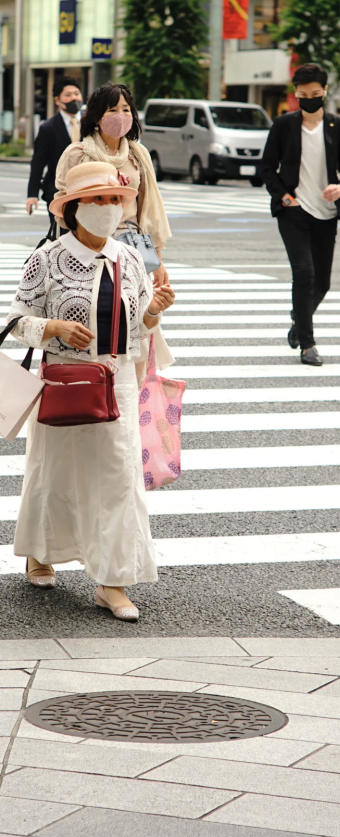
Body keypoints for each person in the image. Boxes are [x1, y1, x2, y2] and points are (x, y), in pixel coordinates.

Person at [6, 162, 175, 620]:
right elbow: (16, 321)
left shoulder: (132, 259)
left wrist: (154, 311)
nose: (107, 208)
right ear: (74, 207)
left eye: (114, 200)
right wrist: (53, 326)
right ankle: (41, 553)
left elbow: (140, 330)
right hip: (62, 379)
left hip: (116, 381)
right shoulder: (46, 258)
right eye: (97, 200)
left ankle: (112, 582)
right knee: (53, 473)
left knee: (120, 482)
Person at [260, 63, 340, 367]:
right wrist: (284, 196)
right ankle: (308, 344)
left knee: (323, 282)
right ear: (296, 95)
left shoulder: (339, 127)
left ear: (325, 92)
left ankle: (298, 321)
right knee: (304, 273)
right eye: (303, 95)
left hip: (327, 213)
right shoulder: (284, 125)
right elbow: (266, 167)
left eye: (315, 94)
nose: (309, 99)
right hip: (294, 211)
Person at [55, 84, 171, 291]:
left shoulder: (138, 155)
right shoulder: (77, 154)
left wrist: (157, 258)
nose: (121, 115)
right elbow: (64, 207)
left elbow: (151, 208)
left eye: (126, 109)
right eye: (113, 110)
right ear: (98, 116)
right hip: (88, 246)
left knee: (136, 311)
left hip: (131, 245)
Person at [26, 76, 84, 236]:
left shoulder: (90, 124)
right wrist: (32, 194)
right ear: (57, 100)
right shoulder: (48, 128)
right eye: (68, 95)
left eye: (77, 93)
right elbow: (38, 162)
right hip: (57, 192)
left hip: (87, 191)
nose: (74, 98)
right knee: (63, 236)